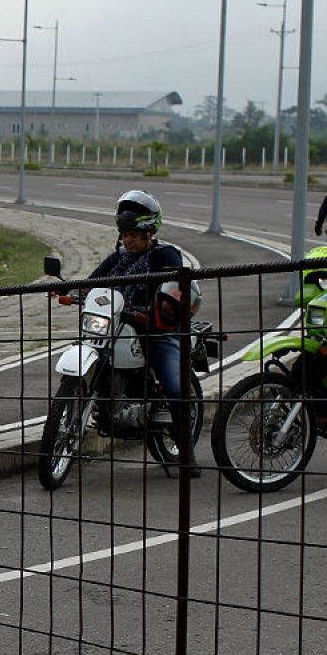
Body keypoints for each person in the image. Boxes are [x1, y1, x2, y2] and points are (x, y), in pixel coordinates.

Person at [87, 190, 201, 477]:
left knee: (175, 388)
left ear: (150, 232)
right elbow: (91, 282)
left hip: (156, 331)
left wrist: (154, 311)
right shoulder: (118, 259)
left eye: (135, 235)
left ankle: (186, 453)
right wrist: (65, 290)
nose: (128, 241)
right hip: (117, 327)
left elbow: (175, 289)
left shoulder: (165, 255)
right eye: (125, 235)